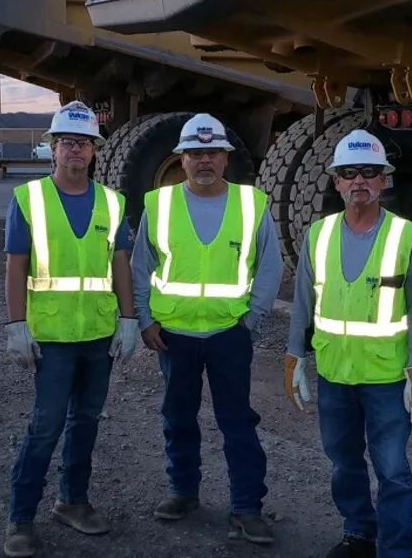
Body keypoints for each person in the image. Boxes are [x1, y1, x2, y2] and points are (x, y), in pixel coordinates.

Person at [283, 128, 412, 558]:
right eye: (349, 173)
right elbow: (303, 301)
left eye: (369, 173)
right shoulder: (318, 234)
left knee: (392, 471)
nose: (359, 182)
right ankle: (359, 534)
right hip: (335, 375)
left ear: (384, 179)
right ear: (336, 181)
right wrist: (295, 355)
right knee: (344, 462)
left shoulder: (407, 237)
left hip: (388, 378)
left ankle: (395, 549)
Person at [130, 113, 284, 545]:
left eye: (212, 151)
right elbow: (141, 268)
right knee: (178, 418)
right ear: (181, 158)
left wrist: (250, 323)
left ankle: (247, 507)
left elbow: (268, 268)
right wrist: (145, 320)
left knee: (238, 422)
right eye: (195, 152)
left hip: (228, 336)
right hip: (172, 336)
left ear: (226, 157)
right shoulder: (158, 205)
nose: (204, 160)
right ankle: (183, 491)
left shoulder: (252, 204)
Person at [1, 101, 139, 558]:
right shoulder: (29, 199)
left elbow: (120, 263)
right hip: (54, 337)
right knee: (46, 426)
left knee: (86, 421)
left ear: (95, 151)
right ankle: (20, 519)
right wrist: (16, 324)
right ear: (53, 149)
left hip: (98, 335)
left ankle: (72, 502)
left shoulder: (112, 202)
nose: (75, 150)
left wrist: (128, 317)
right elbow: (15, 266)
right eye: (67, 142)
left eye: (83, 143)